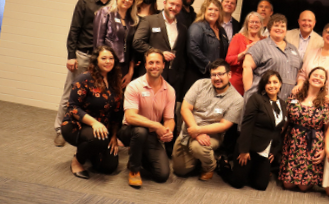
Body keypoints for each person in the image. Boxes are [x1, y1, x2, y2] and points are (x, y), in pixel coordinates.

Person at [60, 0, 117, 146]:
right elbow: (74, 30)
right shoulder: (85, 2)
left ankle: (88, 128)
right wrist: (71, 56)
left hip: (103, 59)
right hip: (83, 55)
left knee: (96, 95)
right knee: (70, 92)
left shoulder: (115, 6)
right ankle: (60, 129)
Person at [174, 62, 243, 181]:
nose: (217, 78)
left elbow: (224, 125)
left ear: (229, 74)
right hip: (189, 130)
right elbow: (185, 108)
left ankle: (209, 166)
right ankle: (201, 157)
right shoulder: (200, 84)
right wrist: (196, 131)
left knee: (199, 148)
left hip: (212, 135)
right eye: (213, 75)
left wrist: (199, 130)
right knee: (180, 170)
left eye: (221, 74)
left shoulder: (237, 99)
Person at [61, 46, 118, 181]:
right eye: (103, 58)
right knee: (99, 138)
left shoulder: (114, 81)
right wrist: (94, 123)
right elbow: (73, 107)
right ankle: (77, 160)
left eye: (111, 58)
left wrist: (114, 136)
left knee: (109, 167)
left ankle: (90, 151)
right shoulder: (84, 78)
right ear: (95, 61)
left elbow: (116, 112)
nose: (108, 61)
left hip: (101, 129)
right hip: (76, 125)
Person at [121, 51, 177, 188]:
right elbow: (130, 116)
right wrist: (157, 125)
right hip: (130, 130)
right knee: (140, 131)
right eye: (151, 62)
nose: (154, 66)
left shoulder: (169, 90)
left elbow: (169, 119)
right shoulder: (134, 86)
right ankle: (134, 170)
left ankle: (137, 155)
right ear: (145, 65)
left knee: (162, 175)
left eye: (158, 62)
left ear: (163, 65)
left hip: (151, 134)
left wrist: (168, 131)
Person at [224, 72, 288, 191]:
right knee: (238, 183)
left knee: (261, 185)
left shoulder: (283, 104)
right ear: (263, 85)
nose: (272, 85)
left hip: (265, 150)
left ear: (280, 84)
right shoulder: (256, 99)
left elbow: (278, 130)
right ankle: (223, 167)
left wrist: (274, 150)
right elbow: (247, 125)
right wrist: (244, 150)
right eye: (268, 82)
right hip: (249, 147)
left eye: (275, 82)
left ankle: (248, 171)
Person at [277, 67, 329, 192]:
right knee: (287, 185)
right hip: (292, 141)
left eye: (321, 77)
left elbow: (328, 130)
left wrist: (325, 150)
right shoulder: (295, 95)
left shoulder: (327, 103)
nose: (317, 78)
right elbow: (285, 118)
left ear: (325, 83)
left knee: (303, 187)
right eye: (315, 75)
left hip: (312, 144)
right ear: (308, 78)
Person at [132, 0, 185, 91]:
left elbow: (182, 55)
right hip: (150, 74)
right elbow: (137, 42)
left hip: (172, 80)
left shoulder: (183, 28)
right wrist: (159, 54)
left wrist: (179, 76)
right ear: (164, 3)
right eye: (172, 4)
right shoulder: (149, 20)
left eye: (178, 5)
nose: (174, 8)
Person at [95, 0, 139, 92]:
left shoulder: (133, 19)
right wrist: (102, 64)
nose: (127, 0)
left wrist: (130, 72)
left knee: (119, 97)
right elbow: (98, 42)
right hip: (108, 63)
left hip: (124, 66)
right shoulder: (105, 13)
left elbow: (133, 46)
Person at [186, 0, 226, 91]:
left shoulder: (221, 30)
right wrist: (209, 65)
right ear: (204, 11)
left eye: (216, 10)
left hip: (215, 76)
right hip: (199, 74)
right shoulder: (197, 27)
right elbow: (192, 50)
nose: (213, 12)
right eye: (210, 9)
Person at [226, 11, 264, 92]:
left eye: (257, 22)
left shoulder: (265, 40)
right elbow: (228, 60)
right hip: (238, 82)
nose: (254, 24)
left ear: (261, 24)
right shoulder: (238, 38)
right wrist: (244, 52)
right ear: (247, 24)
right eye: (251, 22)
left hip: (259, 83)